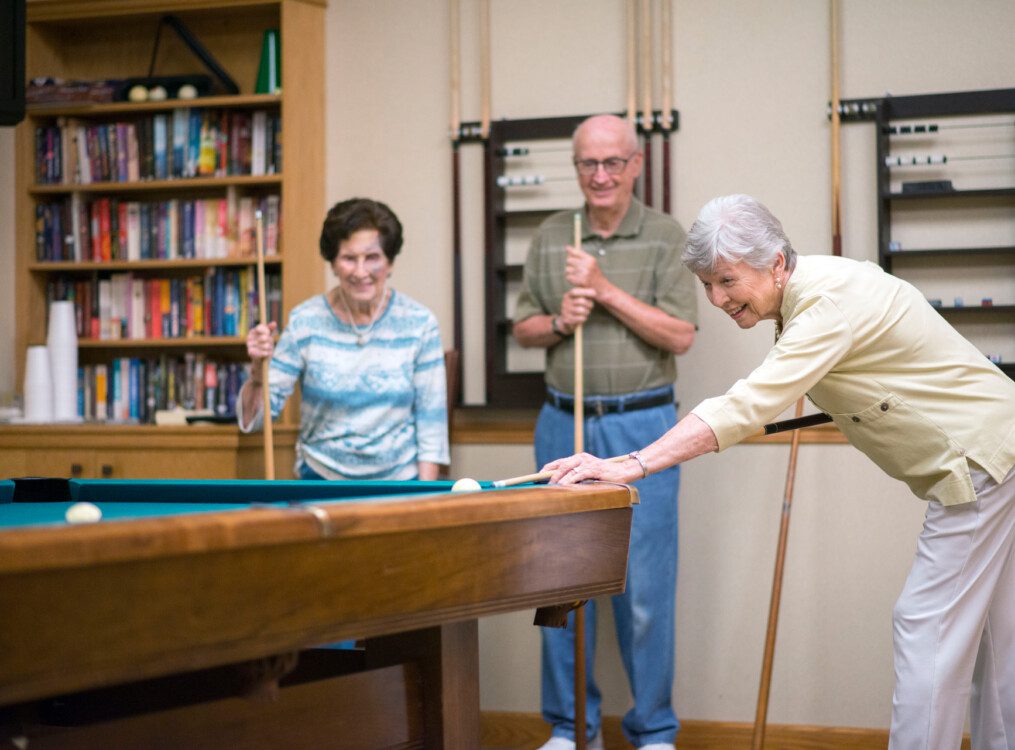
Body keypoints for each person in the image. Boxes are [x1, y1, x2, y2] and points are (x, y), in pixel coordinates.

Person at [547, 193, 1015, 750]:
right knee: (994, 638)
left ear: (775, 262)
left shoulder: (826, 304)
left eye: (726, 281)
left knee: (925, 625)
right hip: (998, 448)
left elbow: (747, 403)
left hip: (983, 461)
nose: (718, 299)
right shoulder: (808, 294)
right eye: (706, 286)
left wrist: (631, 464)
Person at [513, 114, 699, 750]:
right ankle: (570, 729)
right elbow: (523, 329)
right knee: (558, 582)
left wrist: (604, 290)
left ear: (636, 165)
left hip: (643, 425)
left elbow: (682, 334)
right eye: (587, 164)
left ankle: (653, 732)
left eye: (612, 163)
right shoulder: (550, 236)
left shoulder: (668, 237)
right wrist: (560, 321)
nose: (599, 176)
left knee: (645, 591)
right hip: (562, 421)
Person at [238, 197, 449, 481]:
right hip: (321, 478)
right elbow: (257, 420)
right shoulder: (305, 321)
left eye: (372, 258)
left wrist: (426, 500)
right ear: (334, 264)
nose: (361, 272)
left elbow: (431, 424)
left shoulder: (420, 324)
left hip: (399, 482)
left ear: (390, 263)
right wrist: (256, 372)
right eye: (349, 258)